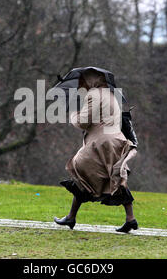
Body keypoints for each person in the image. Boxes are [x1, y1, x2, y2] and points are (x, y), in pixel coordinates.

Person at [54, 69, 138, 233]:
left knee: (79, 169)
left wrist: (72, 114)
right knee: (115, 177)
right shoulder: (110, 94)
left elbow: (83, 122)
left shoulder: (94, 95)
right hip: (115, 142)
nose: (81, 84)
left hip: (101, 144)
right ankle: (130, 219)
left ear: (90, 81)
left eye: (83, 81)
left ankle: (71, 217)